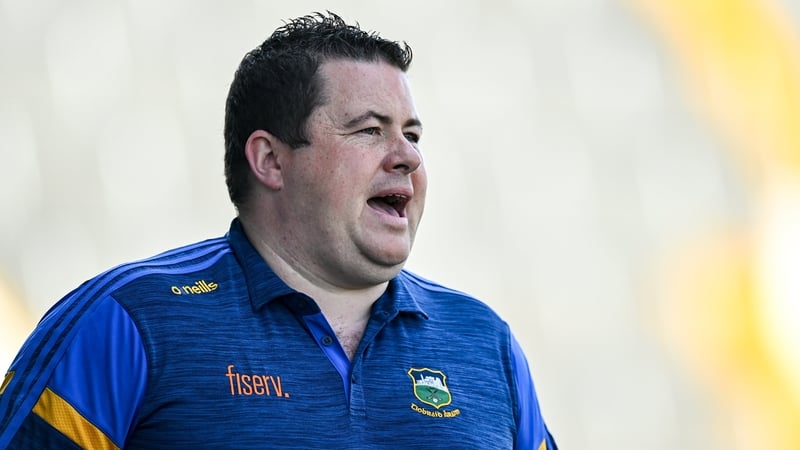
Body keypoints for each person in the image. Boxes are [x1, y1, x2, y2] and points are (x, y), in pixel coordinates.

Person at [0, 12, 557, 449]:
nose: (407, 156)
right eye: (369, 130)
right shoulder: (127, 321)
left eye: (412, 134)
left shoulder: (485, 343)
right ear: (270, 160)